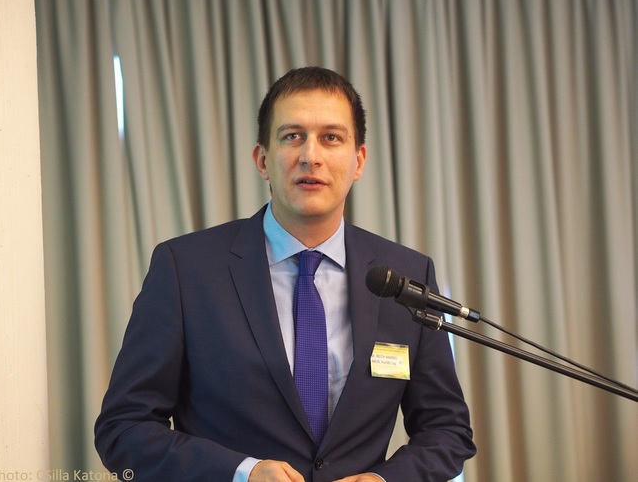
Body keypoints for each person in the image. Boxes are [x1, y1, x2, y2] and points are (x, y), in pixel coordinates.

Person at [95, 66, 476, 481]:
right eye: (293, 136)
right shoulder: (186, 269)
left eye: (331, 138)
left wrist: (385, 480)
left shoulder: (404, 276)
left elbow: (447, 429)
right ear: (262, 160)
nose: (311, 156)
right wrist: (242, 473)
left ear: (359, 160)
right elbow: (124, 428)